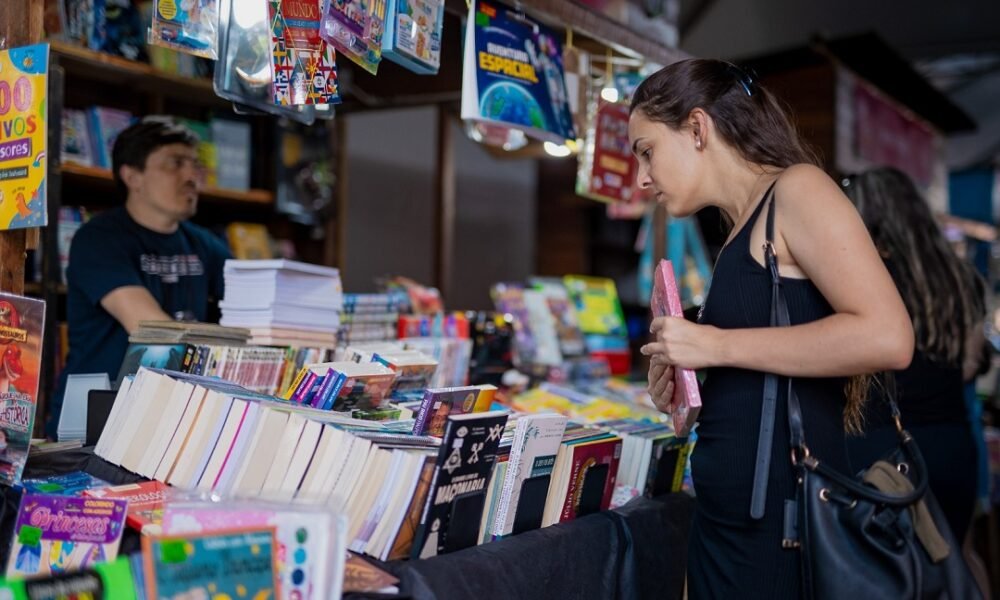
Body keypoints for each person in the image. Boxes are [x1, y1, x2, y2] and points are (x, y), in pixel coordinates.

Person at [630, 60, 914, 598]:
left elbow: (888, 337)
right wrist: (685, 387)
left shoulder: (798, 190)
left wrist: (715, 344)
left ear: (697, 128)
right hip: (728, 523)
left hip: (779, 532)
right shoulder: (740, 230)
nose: (642, 177)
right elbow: (760, 376)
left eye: (647, 151)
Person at [841, 167, 988, 584]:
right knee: (954, 565)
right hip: (950, 443)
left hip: (881, 446)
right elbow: (969, 363)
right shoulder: (960, 278)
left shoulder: (865, 278)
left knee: (884, 575)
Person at [46, 117, 231, 437]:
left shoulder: (206, 244)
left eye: (194, 164)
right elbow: (152, 330)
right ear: (132, 176)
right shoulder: (98, 238)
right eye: (175, 163)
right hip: (93, 424)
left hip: (170, 415)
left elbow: (259, 313)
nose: (192, 176)